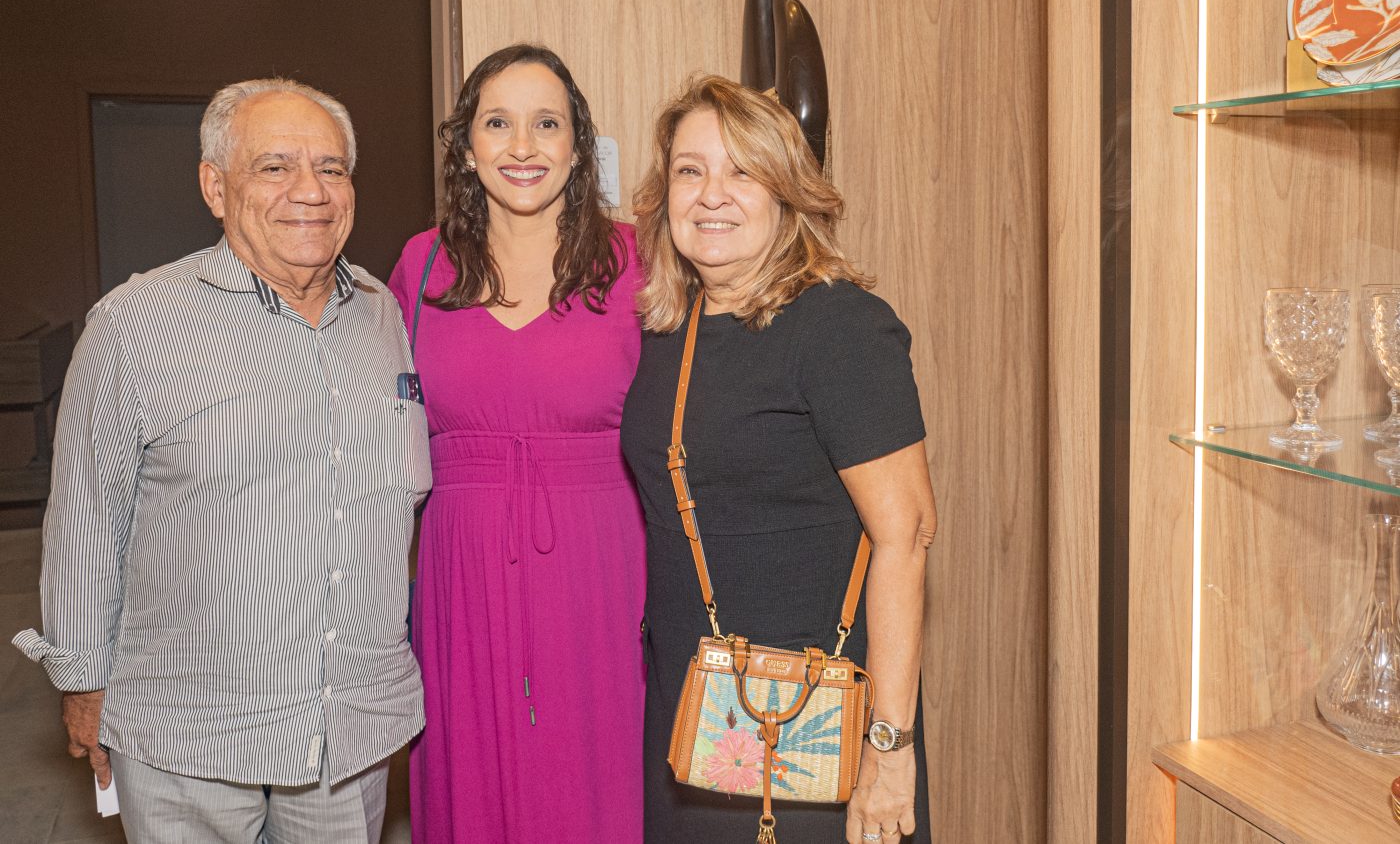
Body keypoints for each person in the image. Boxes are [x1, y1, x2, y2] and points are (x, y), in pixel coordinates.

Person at [11, 79, 430, 843]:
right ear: (215, 185)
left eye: (332, 169)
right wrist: (83, 682)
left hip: (350, 730)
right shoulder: (135, 324)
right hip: (190, 733)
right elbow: (83, 519)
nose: (311, 191)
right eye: (274, 167)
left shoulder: (384, 315)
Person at [621, 75, 937, 844]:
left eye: (742, 171)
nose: (712, 194)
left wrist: (889, 751)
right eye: (690, 171)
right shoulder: (671, 331)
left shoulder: (839, 329)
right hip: (695, 722)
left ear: (788, 194)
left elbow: (907, 535)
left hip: (816, 724)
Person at [387, 44, 645, 842]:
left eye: (547, 124)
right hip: (460, 572)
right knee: (474, 780)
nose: (523, 147)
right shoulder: (419, 266)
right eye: (498, 123)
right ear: (467, 147)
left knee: (598, 779)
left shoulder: (638, 261)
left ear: (579, 146)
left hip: (603, 571)